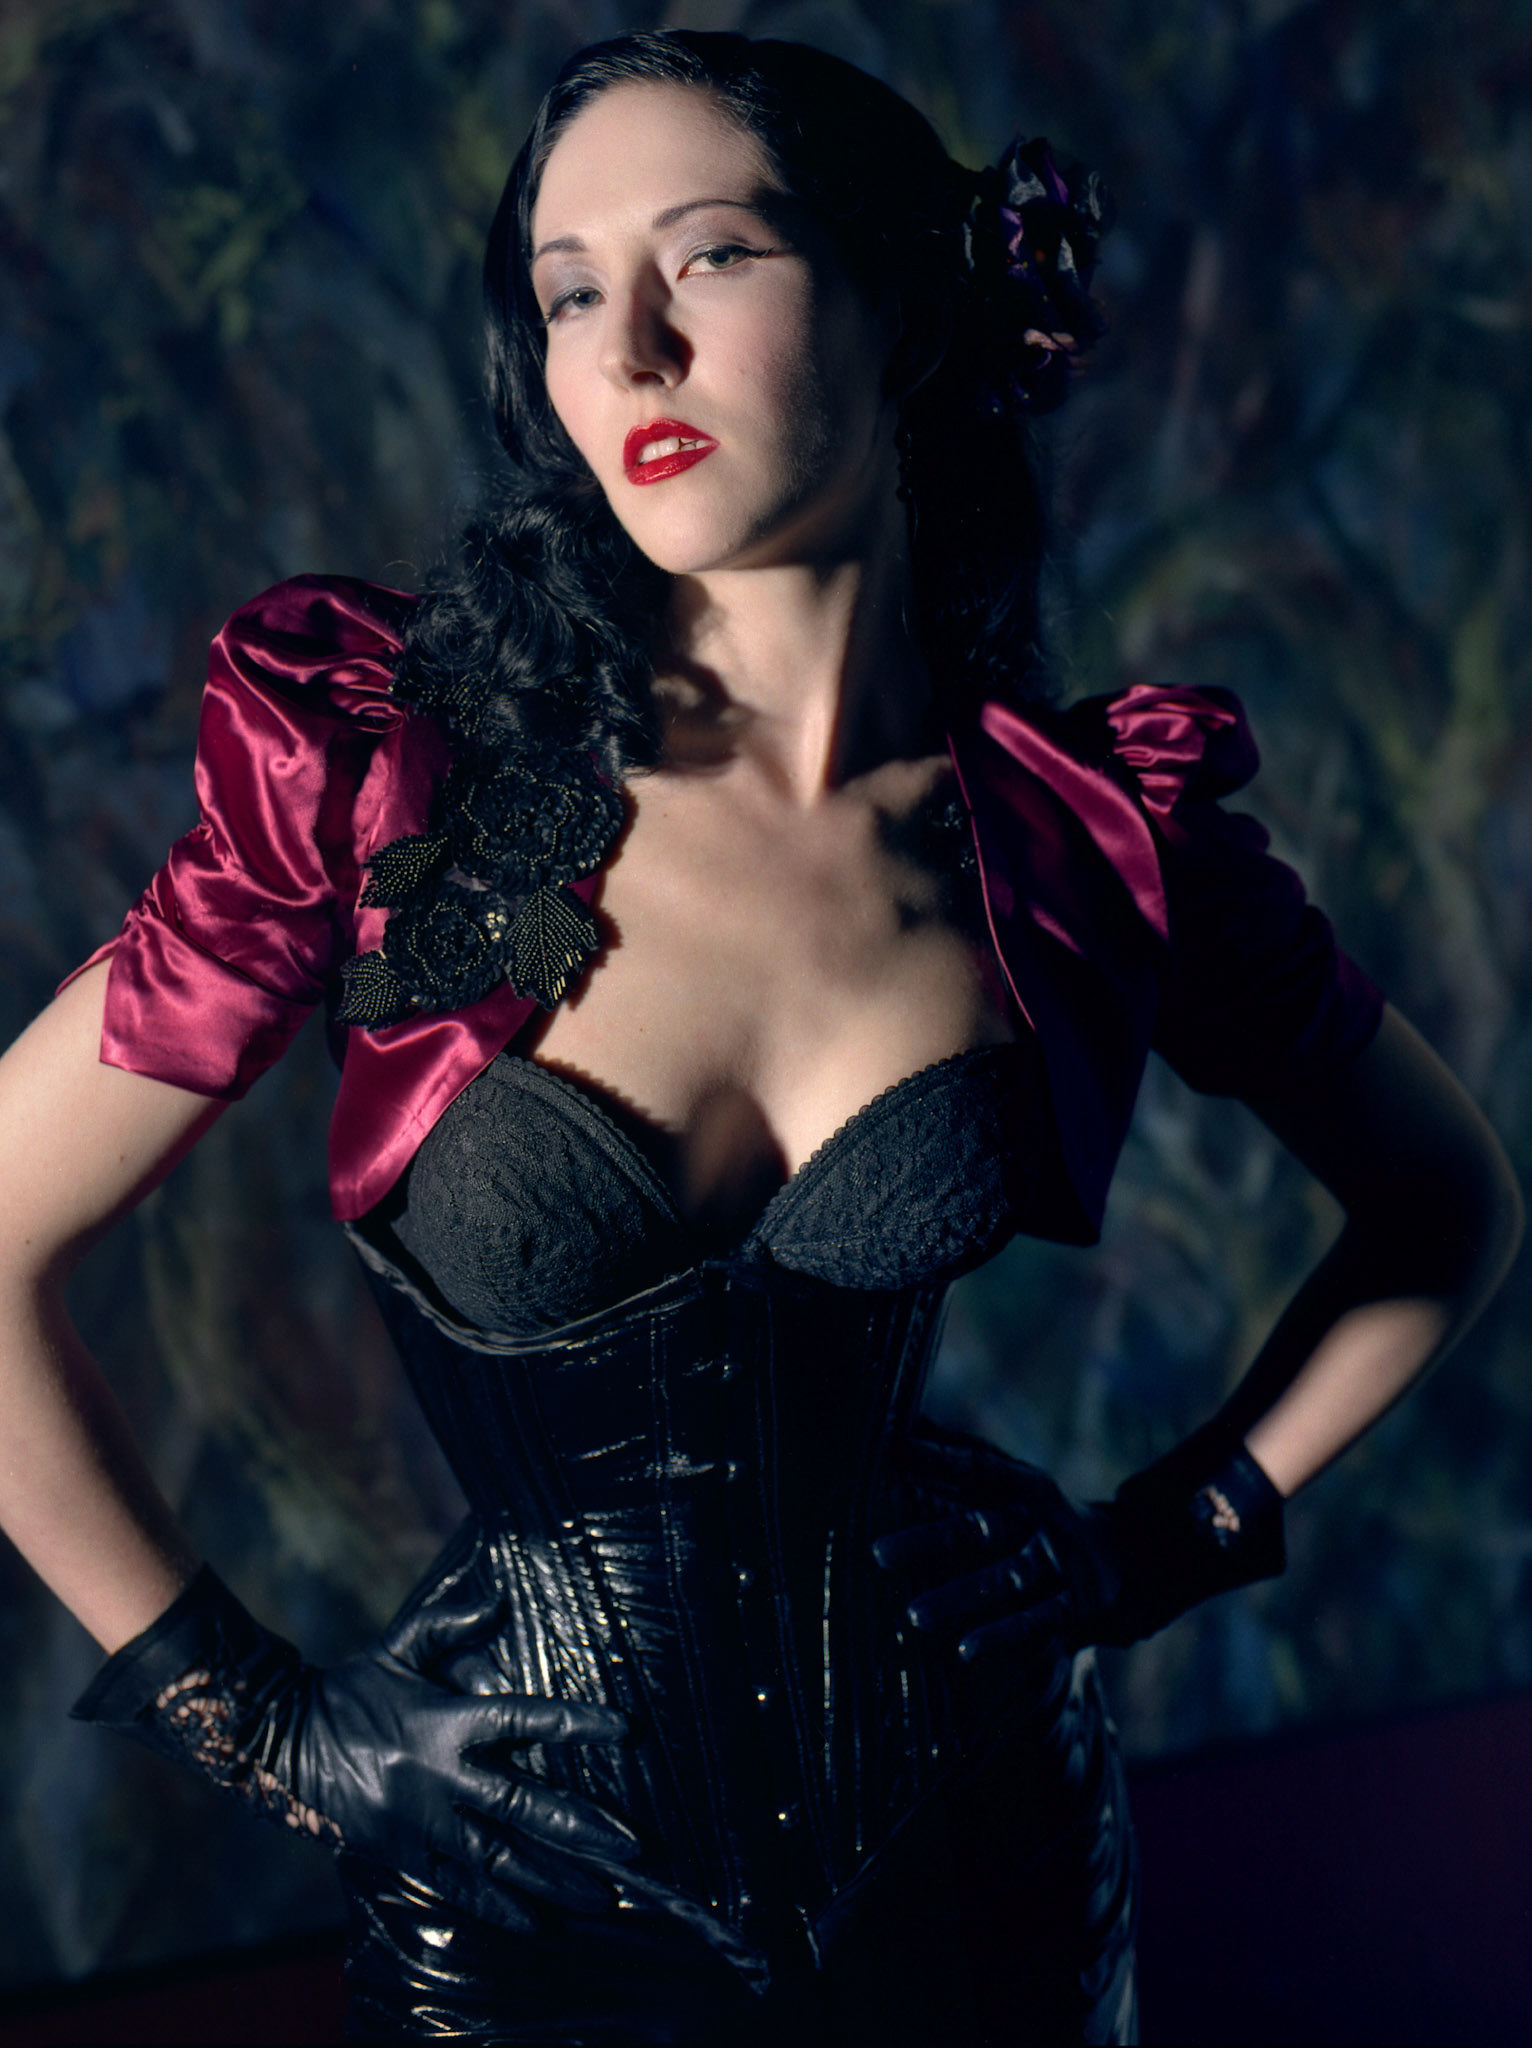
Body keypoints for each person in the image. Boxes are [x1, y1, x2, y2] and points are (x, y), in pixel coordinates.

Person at [0, 28, 1519, 2047]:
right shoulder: (382, 779)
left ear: (900, 304)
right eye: (566, 292)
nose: (628, 349)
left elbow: (1446, 1205)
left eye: (709, 254)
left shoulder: (1079, 836)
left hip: (982, 1876)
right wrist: (274, 1729)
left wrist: (1163, 1538)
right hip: (521, 1906)